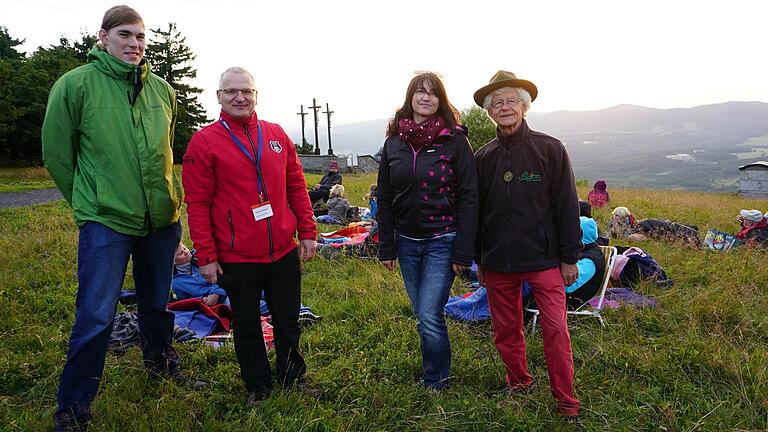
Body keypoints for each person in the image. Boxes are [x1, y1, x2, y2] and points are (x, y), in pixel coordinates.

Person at [41, 6, 200, 430]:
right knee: (95, 316)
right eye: (125, 35)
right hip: (106, 221)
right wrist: (87, 203)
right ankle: (73, 409)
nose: (134, 44)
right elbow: (57, 152)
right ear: (103, 37)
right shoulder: (75, 85)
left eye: (141, 37)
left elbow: (166, 150)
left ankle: (161, 367)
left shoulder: (163, 91)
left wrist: (171, 203)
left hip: (162, 222)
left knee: (156, 303)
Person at [182, 66, 318, 407]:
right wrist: (207, 256)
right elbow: (197, 203)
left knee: (287, 321)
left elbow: (296, 186)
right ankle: (257, 385)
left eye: (246, 91)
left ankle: (292, 377)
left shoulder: (275, 134)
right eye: (231, 92)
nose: (240, 97)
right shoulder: (205, 141)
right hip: (236, 256)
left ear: (256, 95)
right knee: (245, 324)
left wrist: (308, 231)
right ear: (219, 97)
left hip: (282, 251)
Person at [473, 70, 582, 422]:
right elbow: (475, 212)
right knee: (505, 330)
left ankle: (566, 400)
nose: (504, 108)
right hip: (498, 262)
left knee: (555, 329)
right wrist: (480, 259)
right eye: (497, 102)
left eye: (511, 101)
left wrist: (569, 258)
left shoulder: (549, 149)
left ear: (524, 106)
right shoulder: (483, 157)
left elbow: (567, 206)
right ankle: (518, 381)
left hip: (544, 261)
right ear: (489, 111)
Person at [377, 71, 478, 391]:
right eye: (419, 92)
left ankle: (436, 380)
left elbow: (470, 196)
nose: (425, 97)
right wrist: (386, 245)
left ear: (440, 100)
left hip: (442, 240)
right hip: (406, 242)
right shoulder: (393, 142)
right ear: (410, 98)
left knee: (429, 312)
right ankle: (433, 369)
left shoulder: (456, 140)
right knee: (423, 314)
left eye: (432, 93)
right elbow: (385, 195)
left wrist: (464, 249)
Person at [525, 217, 606, 311]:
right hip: (555, 294)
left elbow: (569, 285)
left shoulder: (591, 260)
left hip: (567, 300)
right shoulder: (582, 251)